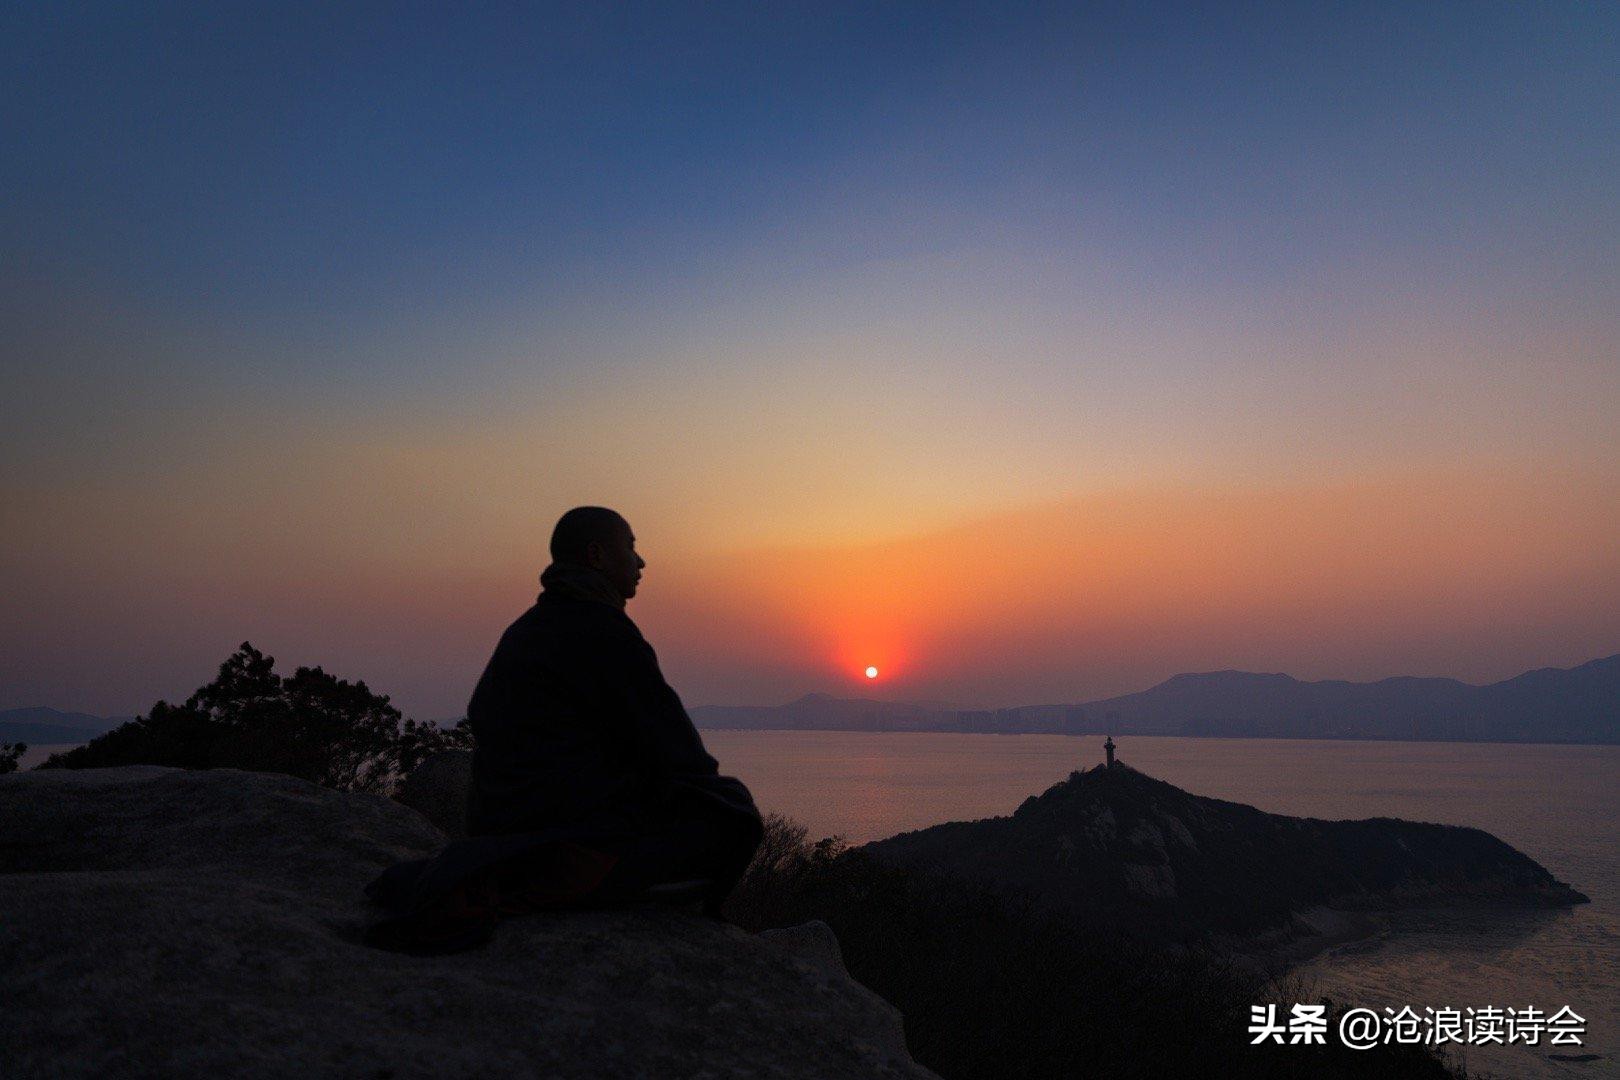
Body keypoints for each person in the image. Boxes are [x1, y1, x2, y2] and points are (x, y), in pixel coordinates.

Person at [365, 507, 763, 952]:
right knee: (732, 811)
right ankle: (604, 888)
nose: (641, 562)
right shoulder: (607, 631)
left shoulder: (524, 630)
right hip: (567, 838)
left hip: (499, 826)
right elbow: (682, 754)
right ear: (596, 555)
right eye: (630, 547)